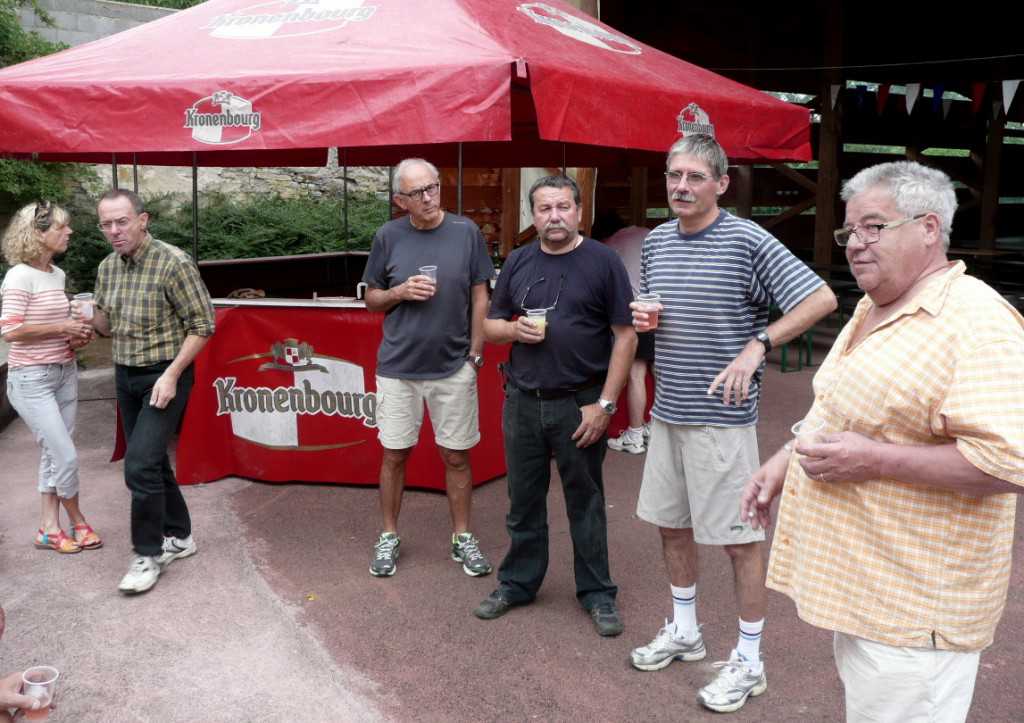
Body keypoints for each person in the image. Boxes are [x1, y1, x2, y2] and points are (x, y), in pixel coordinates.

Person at [742, 161, 1024, 722]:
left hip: (916, 609)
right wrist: (782, 461)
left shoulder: (978, 322)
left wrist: (871, 459)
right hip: (870, 593)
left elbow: (1007, 462)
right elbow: (837, 403)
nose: (855, 244)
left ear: (929, 228)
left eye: (875, 227)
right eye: (851, 231)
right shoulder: (875, 306)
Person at [628, 134, 836, 713]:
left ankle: (749, 661)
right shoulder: (658, 242)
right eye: (674, 176)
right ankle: (687, 631)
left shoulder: (747, 238)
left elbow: (820, 300)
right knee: (670, 527)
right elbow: (657, 312)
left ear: (722, 184)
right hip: (669, 410)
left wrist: (758, 343)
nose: (681, 187)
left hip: (722, 419)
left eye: (696, 177)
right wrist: (646, 317)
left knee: (739, 544)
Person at [473, 174, 637, 636]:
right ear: (534, 216)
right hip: (523, 400)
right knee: (522, 502)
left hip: (580, 403)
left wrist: (605, 405)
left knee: (585, 502)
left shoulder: (604, 262)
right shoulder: (521, 260)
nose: (554, 217)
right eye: (544, 209)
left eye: (563, 207)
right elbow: (491, 326)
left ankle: (598, 593)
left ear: (579, 211)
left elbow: (625, 336)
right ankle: (518, 583)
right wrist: (513, 331)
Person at [361, 158, 494, 578]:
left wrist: (475, 355)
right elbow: (372, 299)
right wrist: (399, 290)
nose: (429, 197)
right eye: (417, 192)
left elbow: (480, 296)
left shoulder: (465, 232)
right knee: (394, 454)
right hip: (398, 367)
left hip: (453, 367)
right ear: (400, 200)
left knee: (456, 456)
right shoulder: (388, 236)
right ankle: (388, 535)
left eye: (433, 187)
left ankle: (462, 537)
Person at [85, 189, 215, 594]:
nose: (114, 231)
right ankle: (180, 537)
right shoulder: (107, 267)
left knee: (139, 465)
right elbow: (106, 329)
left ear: (143, 219)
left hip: (165, 374)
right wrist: (90, 315)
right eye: (106, 223)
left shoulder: (173, 263)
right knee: (152, 461)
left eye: (121, 221)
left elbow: (203, 325)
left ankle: (148, 553)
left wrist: (174, 374)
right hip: (125, 375)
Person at [1, 201, 100, 555]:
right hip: (31, 379)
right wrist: (60, 325)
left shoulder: (56, 275)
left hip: (64, 371)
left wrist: (75, 335)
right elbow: (10, 331)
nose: (69, 231)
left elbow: (57, 329)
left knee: (53, 452)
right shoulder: (18, 276)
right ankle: (77, 518)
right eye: (61, 226)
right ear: (38, 234)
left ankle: (47, 528)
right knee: (66, 455)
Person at [601, 222, 654, 454]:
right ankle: (654, 428)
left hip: (635, 311)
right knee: (659, 371)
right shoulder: (651, 235)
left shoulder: (609, 243)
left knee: (636, 373)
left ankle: (634, 434)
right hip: (657, 307)